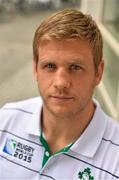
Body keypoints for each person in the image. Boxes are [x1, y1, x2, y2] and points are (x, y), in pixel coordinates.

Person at [0, 9, 119, 180]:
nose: (61, 83)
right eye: (50, 66)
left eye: (75, 67)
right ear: (35, 69)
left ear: (98, 73)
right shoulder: (5, 121)